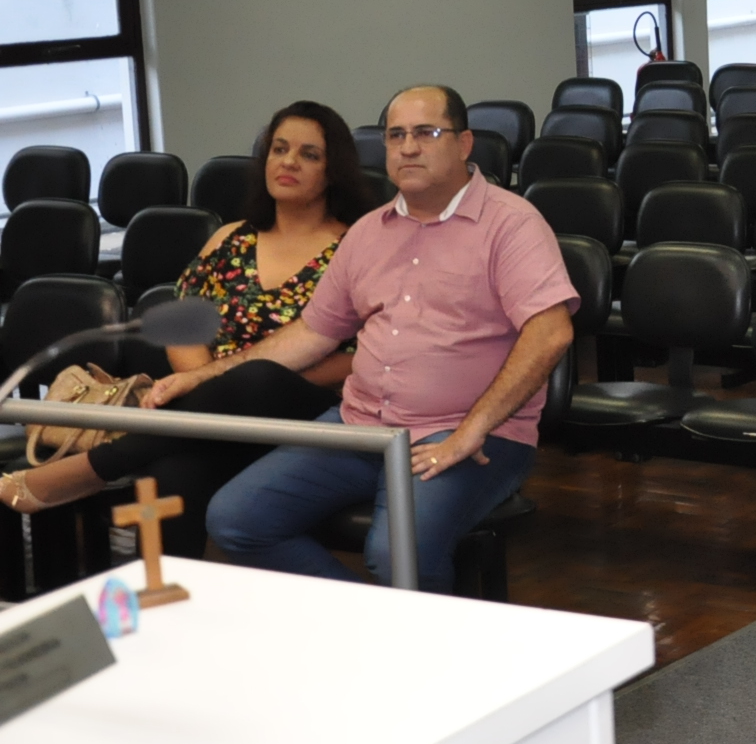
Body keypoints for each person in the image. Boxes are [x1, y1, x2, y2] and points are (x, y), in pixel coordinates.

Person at [181, 84, 577, 594]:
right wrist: (205, 376)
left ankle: (421, 639)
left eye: (426, 133)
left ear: (463, 144)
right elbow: (312, 333)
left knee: (396, 554)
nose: (408, 147)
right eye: (396, 135)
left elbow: (551, 332)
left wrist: (471, 430)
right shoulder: (367, 232)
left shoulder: (511, 224)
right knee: (236, 519)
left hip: (465, 434)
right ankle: (368, 624)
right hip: (361, 426)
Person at [0, 101, 371, 555]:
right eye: (279, 149)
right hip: (217, 414)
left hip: (310, 411)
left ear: (334, 171)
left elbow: (359, 358)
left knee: (258, 378)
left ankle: (93, 468)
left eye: (309, 154)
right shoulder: (231, 238)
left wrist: (236, 386)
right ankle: (170, 594)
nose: (289, 162)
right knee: (173, 475)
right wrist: (216, 391)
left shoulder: (355, 246)